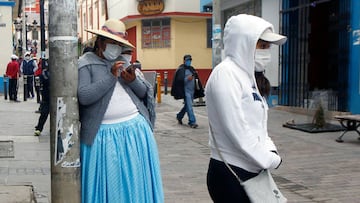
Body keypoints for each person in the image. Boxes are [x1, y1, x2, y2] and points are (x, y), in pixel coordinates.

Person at [78, 19, 162, 203]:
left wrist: (132, 81)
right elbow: (84, 96)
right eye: (112, 43)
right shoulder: (86, 63)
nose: (115, 48)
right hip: (102, 137)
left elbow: (142, 93)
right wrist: (110, 77)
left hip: (135, 133)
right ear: (100, 42)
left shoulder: (123, 62)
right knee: (110, 188)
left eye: (119, 44)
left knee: (135, 184)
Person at [205, 14, 287, 202]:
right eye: (262, 45)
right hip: (231, 172)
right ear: (244, 43)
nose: (266, 52)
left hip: (254, 170)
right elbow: (238, 132)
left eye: (268, 47)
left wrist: (270, 150)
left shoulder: (250, 77)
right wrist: (271, 160)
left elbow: (259, 127)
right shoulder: (225, 75)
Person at [171, 54, 204, 128]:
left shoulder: (192, 69)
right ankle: (192, 122)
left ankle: (179, 116)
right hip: (185, 91)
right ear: (184, 61)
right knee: (189, 106)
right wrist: (187, 79)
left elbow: (196, 79)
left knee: (187, 106)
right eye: (187, 60)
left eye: (190, 60)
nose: (189, 62)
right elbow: (178, 81)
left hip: (192, 91)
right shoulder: (180, 70)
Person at [34, 59, 50, 136]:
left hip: (56, 97)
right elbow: (45, 80)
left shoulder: (58, 73)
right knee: (44, 114)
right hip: (46, 97)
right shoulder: (45, 73)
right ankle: (39, 128)